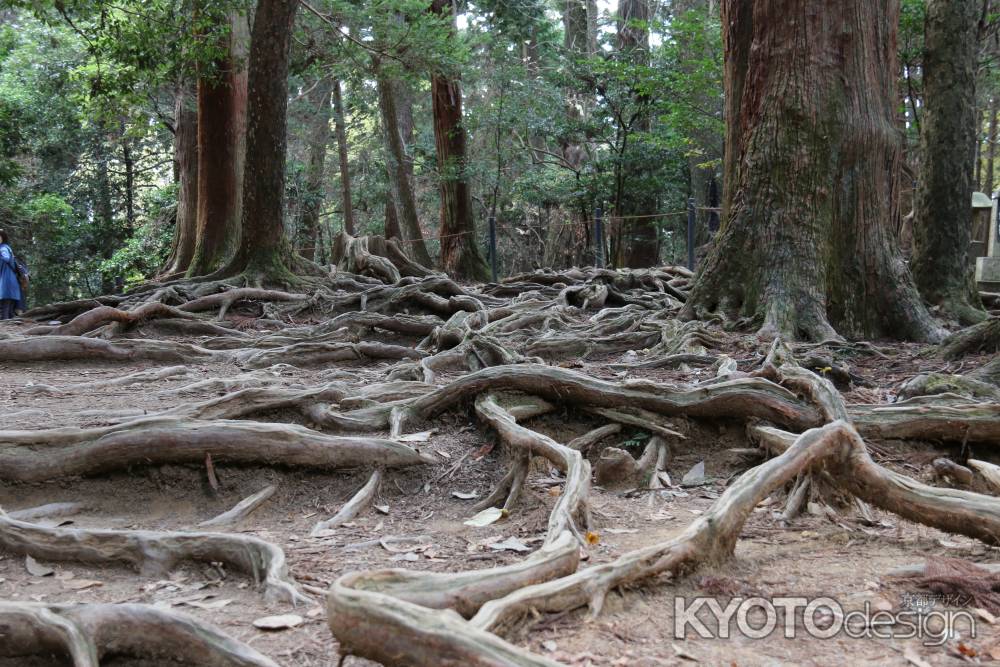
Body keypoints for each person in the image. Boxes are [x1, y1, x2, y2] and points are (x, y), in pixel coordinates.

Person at [0, 229, 23, 320]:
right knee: (9, 310)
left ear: (3, 238)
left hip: (7, 282)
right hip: (11, 282)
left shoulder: (3, 248)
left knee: (4, 309)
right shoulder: (6, 247)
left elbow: (6, 258)